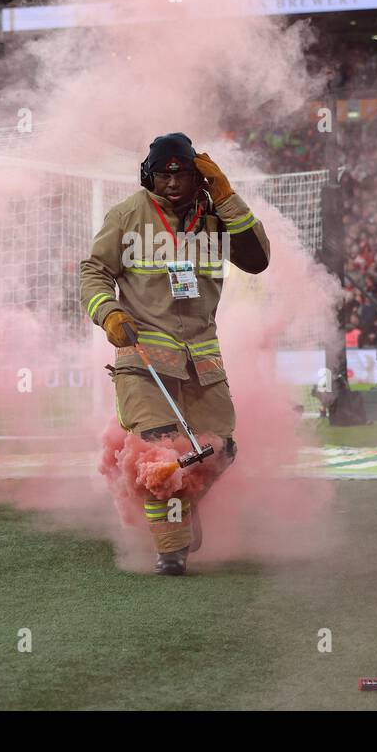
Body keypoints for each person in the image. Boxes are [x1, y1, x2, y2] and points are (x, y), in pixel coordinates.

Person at [79, 133, 270, 576]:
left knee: (219, 450)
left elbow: (257, 259)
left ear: (197, 175)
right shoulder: (127, 215)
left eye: (179, 173)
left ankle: (183, 507)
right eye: (161, 174)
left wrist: (228, 197)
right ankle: (171, 552)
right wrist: (108, 314)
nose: (169, 182)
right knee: (160, 455)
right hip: (143, 357)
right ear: (148, 175)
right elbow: (93, 271)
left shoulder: (216, 215)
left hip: (203, 361)